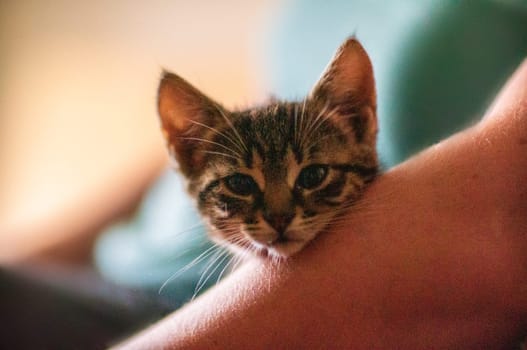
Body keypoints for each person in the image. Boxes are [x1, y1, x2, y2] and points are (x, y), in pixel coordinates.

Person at [115, 58, 527, 349]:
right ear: (189, 155)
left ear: (357, 124)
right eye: (241, 185)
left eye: (311, 177)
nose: (278, 213)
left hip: (162, 309)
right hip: (126, 279)